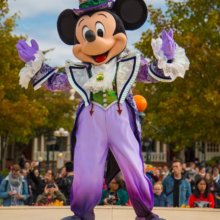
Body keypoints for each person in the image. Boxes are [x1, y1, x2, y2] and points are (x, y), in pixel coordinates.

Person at [16, 0, 189, 219]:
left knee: (134, 167)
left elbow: (155, 73)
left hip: (121, 121)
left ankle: (145, 213)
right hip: (91, 123)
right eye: (86, 33)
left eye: (99, 30)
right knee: (86, 169)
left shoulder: (129, 64)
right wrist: (36, 64)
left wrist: (168, 57)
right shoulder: (79, 71)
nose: (93, 39)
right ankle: (82, 213)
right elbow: (55, 82)